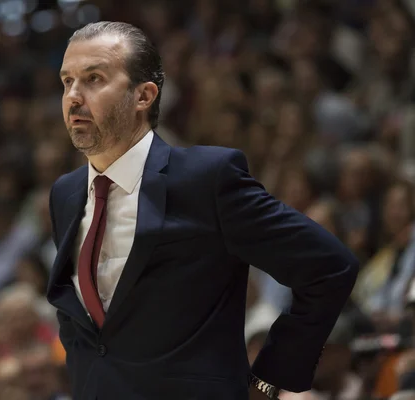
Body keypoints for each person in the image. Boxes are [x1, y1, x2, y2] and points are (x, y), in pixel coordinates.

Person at [47, 21, 359, 400]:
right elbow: (87, 331)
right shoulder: (65, 194)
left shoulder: (204, 179)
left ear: (143, 96)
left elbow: (330, 267)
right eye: (67, 82)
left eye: (93, 78)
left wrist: (267, 380)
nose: (74, 97)